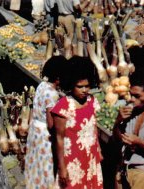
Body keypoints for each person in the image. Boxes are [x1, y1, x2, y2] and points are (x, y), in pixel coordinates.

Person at [51, 56, 103, 188]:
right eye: (80, 87)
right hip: (72, 160)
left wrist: (99, 150)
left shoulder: (92, 101)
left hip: (90, 156)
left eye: (87, 86)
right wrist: (62, 167)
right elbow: (59, 138)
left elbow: (94, 128)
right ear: (71, 84)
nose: (84, 90)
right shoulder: (63, 107)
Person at [24, 55, 69, 189]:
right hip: (44, 135)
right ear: (58, 78)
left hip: (35, 130)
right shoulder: (52, 94)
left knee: (35, 164)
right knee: (46, 167)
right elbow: (51, 123)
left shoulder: (42, 85)